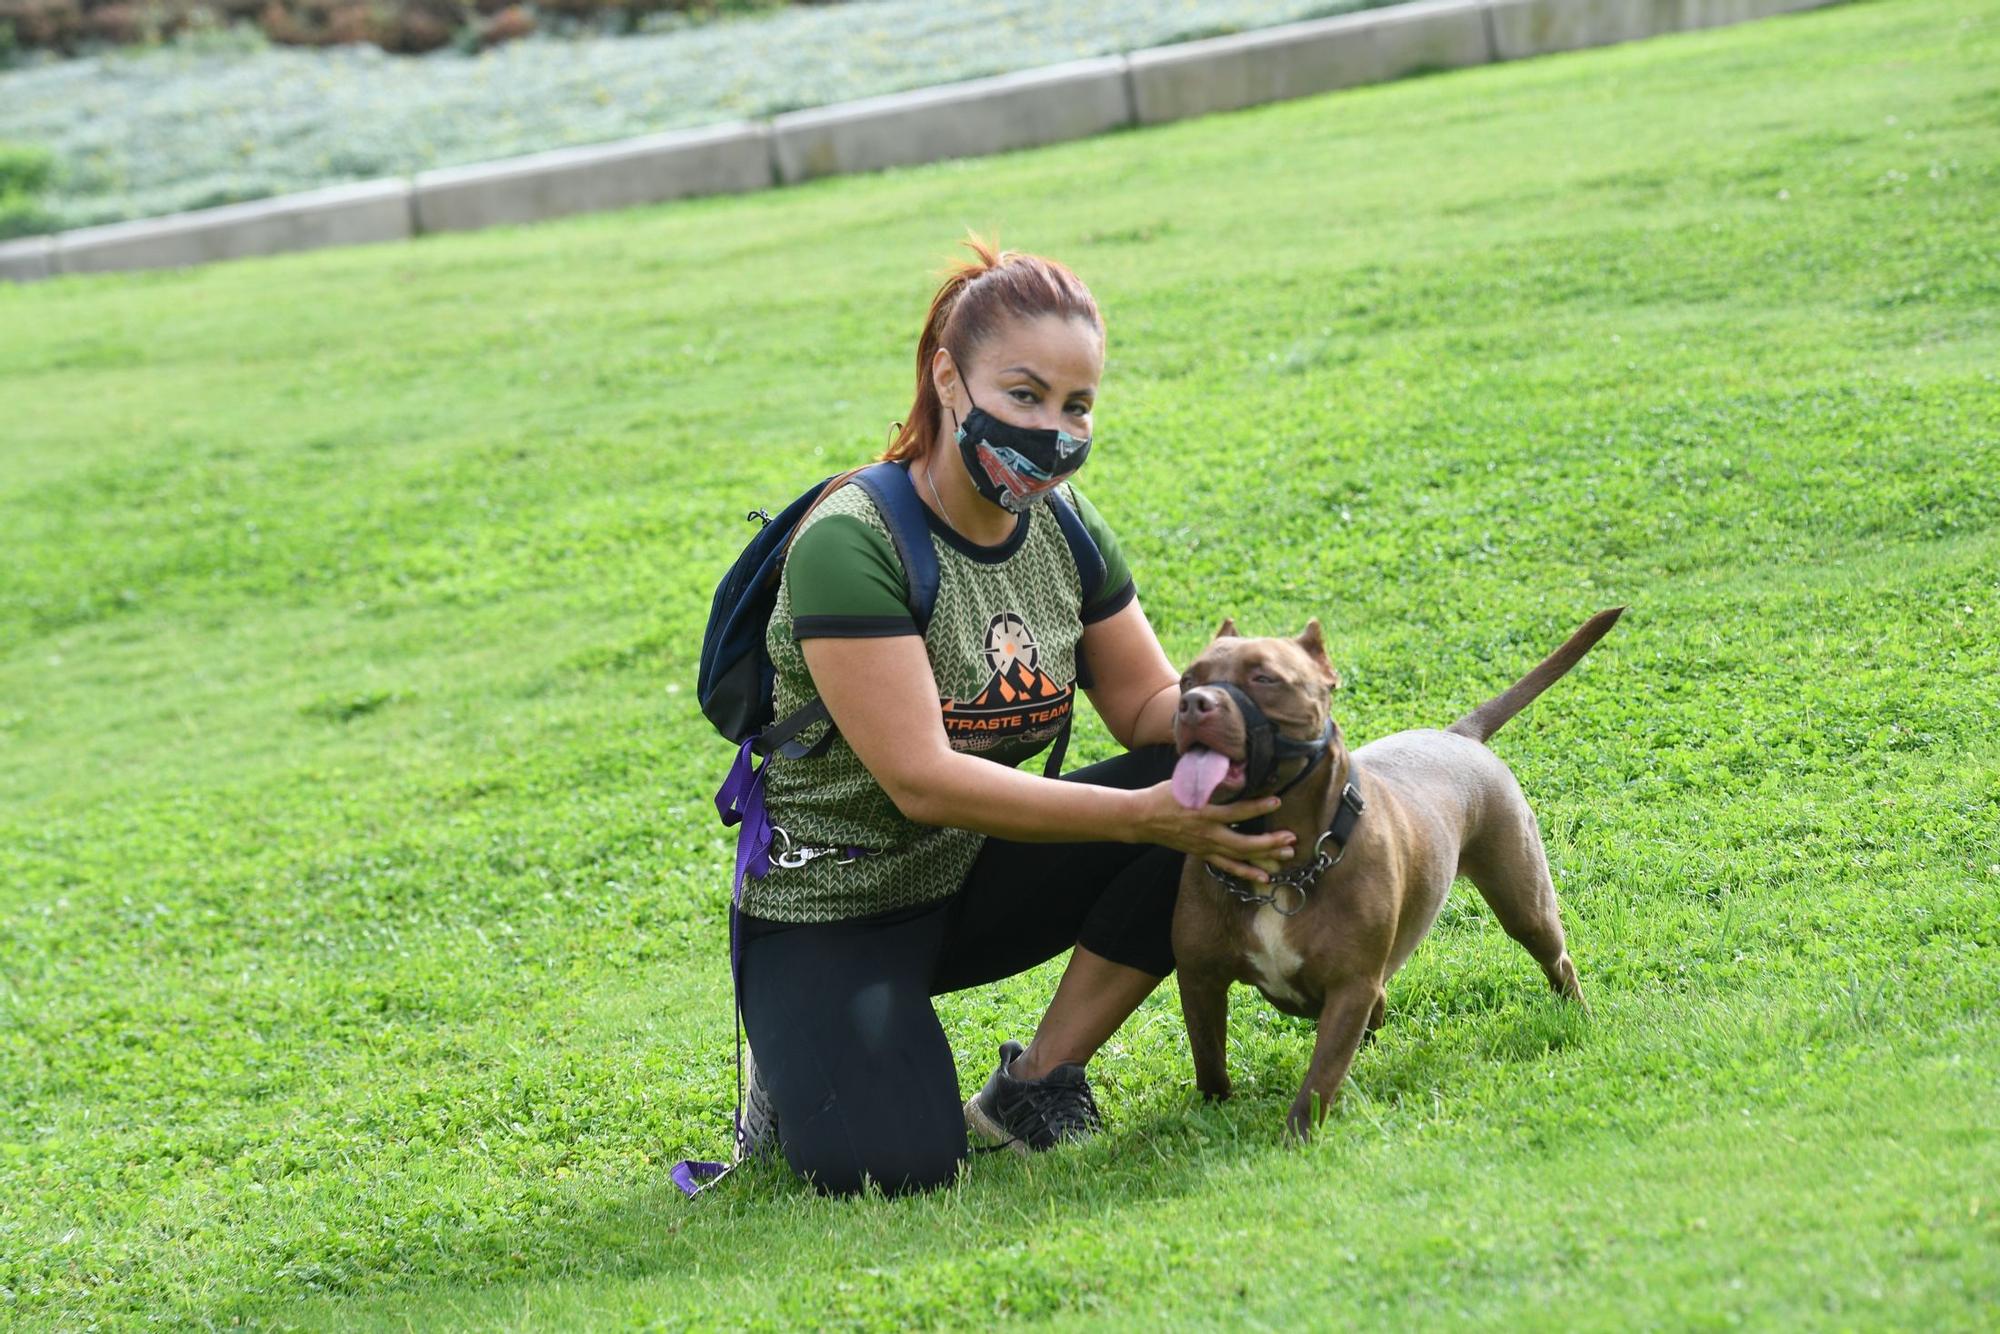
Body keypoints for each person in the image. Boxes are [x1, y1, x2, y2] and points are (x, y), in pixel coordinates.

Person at [734, 234, 1297, 1198]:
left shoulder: (1066, 528)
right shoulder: (852, 541)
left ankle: (1036, 1085)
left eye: (1077, 405)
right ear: (950, 381)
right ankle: (790, 1066)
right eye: (1024, 396)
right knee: (898, 1169)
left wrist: (1259, 719)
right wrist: (1144, 814)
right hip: (832, 907)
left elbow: (1145, 711)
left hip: (976, 878)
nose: (1054, 430)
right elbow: (920, 782)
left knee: (1214, 787)